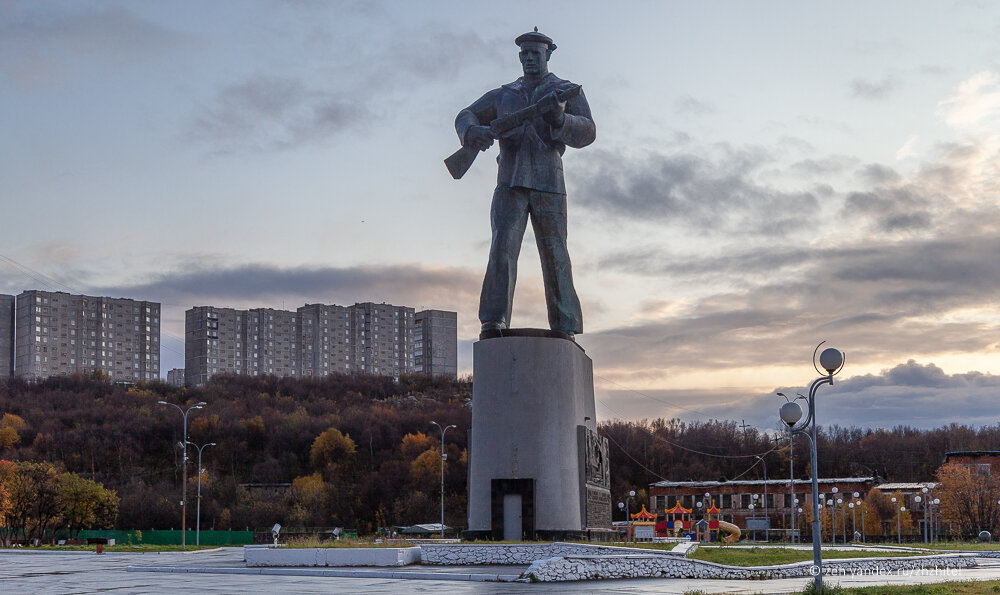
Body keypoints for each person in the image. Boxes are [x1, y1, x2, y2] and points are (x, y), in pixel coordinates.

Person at [455, 28, 596, 336]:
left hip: (549, 182)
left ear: (548, 54)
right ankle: (493, 320)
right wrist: (470, 132)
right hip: (509, 181)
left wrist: (560, 119)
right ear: (520, 57)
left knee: (556, 253)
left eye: (536, 53)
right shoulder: (504, 94)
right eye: (525, 54)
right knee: (501, 250)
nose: (530, 58)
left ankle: (565, 324)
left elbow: (587, 131)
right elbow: (466, 114)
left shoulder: (565, 90)